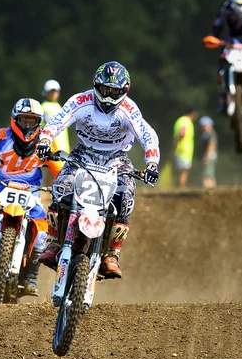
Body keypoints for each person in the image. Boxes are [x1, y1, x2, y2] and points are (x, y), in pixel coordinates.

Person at [35, 61, 160, 279]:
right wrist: (45, 140)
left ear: (124, 90)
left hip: (116, 158)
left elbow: (147, 135)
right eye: (105, 89)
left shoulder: (129, 109)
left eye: (115, 91)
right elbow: (57, 121)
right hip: (83, 153)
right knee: (60, 187)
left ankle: (112, 252)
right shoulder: (81, 101)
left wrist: (152, 163)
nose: (109, 96)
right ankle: (54, 241)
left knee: (126, 195)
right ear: (96, 85)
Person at [0, 98, 63, 296]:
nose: (27, 125)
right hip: (2, 188)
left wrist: (64, 184)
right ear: (15, 120)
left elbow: (59, 169)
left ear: (39, 122)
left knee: (43, 232)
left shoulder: (45, 144)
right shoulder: (1, 136)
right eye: (24, 120)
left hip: (32, 192)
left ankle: (30, 277)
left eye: (32, 121)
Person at [41, 80, 71, 153]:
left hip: (64, 149)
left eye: (55, 91)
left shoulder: (59, 106)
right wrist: (55, 148)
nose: (53, 94)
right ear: (46, 93)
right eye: (51, 92)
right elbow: (49, 128)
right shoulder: (44, 107)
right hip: (53, 150)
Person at [173, 108, 198, 188]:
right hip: (184, 150)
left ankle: (179, 186)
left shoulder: (180, 120)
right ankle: (181, 187)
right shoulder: (185, 121)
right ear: (192, 114)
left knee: (181, 170)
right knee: (184, 170)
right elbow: (182, 132)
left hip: (181, 149)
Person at [199, 116, 218, 188]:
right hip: (208, 155)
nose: (203, 128)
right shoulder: (206, 134)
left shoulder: (211, 134)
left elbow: (211, 145)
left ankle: (209, 188)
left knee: (208, 174)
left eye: (204, 126)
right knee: (207, 173)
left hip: (210, 155)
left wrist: (206, 156)